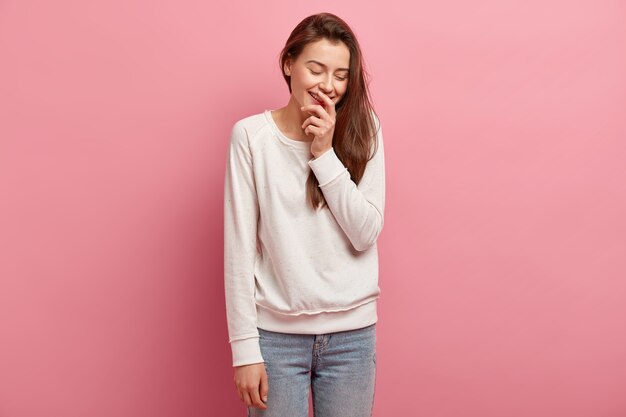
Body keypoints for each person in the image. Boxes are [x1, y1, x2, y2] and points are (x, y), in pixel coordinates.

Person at [223, 12, 385, 417]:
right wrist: (244, 349)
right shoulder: (251, 138)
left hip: (352, 337)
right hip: (275, 340)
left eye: (341, 75)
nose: (328, 86)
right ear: (288, 64)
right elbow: (239, 248)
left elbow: (365, 233)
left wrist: (325, 154)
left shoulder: (366, 130)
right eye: (316, 69)